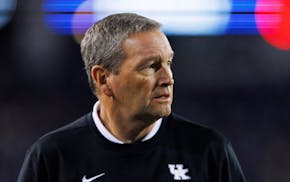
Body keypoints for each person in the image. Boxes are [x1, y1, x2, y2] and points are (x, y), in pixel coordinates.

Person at [18, 13, 246, 182]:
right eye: (150, 66)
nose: (168, 78)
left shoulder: (210, 152)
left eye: (168, 63)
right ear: (103, 78)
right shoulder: (52, 158)